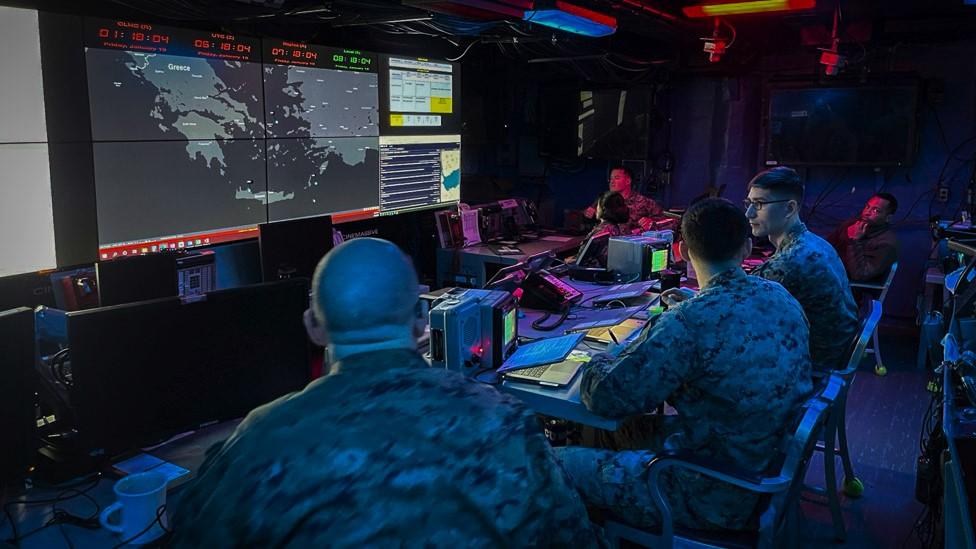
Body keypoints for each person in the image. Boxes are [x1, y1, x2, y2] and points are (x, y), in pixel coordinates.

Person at [171, 238, 603, 548]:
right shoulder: (504, 420)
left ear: (313, 327)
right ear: (420, 319)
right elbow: (571, 535)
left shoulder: (260, 438)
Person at [556, 198, 813, 532]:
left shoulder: (688, 323)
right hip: (761, 466)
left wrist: (596, 356)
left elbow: (604, 398)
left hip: (711, 491)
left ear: (681, 250)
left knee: (552, 460)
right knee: (614, 432)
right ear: (747, 247)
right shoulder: (781, 297)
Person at [746, 166, 859, 373]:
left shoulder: (791, 261)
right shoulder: (814, 242)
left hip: (809, 366)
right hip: (827, 355)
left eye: (759, 204)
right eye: (749, 203)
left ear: (789, 208)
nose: (749, 213)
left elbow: (733, 308)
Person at [827, 193, 899, 283]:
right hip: (829, 274)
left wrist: (854, 241)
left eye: (876, 210)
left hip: (848, 288)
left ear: (888, 218)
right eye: (867, 207)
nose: (867, 212)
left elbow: (859, 274)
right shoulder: (850, 225)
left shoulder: (886, 243)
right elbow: (825, 248)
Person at [584, 166, 662, 233]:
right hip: (608, 245)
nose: (612, 182)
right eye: (611, 179)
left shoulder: (645, 202)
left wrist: (651, 224)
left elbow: (669, 225)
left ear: (628, 181)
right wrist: (588, 214)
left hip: (632, 245)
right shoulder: (603, 201)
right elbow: (587, 219)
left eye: (616, 178)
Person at [576, 191, 629, 268]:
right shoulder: (614, 228)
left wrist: (573, 260)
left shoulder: (601, 231)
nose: (595, 208)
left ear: (603, 209)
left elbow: (582, 260)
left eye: (597, 205)